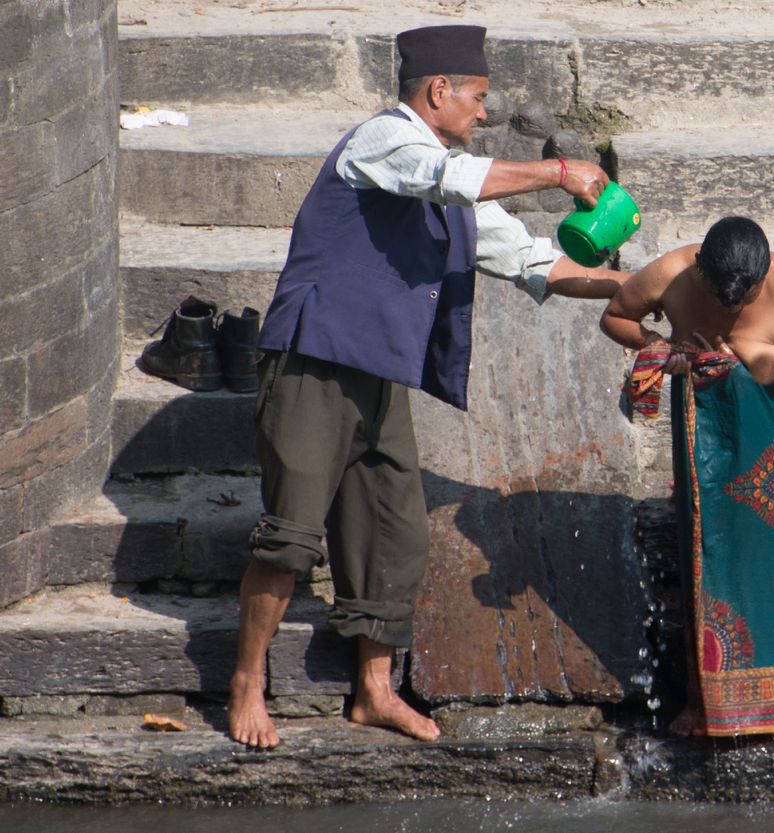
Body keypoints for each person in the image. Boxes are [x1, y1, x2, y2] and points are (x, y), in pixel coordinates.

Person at [228, 24, 629, 749]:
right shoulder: (383, 140)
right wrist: (556, 173)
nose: (482, 112)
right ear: (437, 92)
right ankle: (247, 683)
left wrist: (634, 286)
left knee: (397, 535)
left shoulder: (459, 181)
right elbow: (444, 179)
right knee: (290, 538)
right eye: (476, 98)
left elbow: (534, 262)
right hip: (313, 361)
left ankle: (375, 691)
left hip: (380, 375)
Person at [600, 216, 774, 738]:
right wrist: (662, 346)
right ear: (700, 269)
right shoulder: (671, 274)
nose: (733, 308)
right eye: (719, 294)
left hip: (773, 453)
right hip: (705, 448)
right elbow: (616, 314)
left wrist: (755, 361)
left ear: (761, 278)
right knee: (703, 563)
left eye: (744, 299)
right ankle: (700, 702)